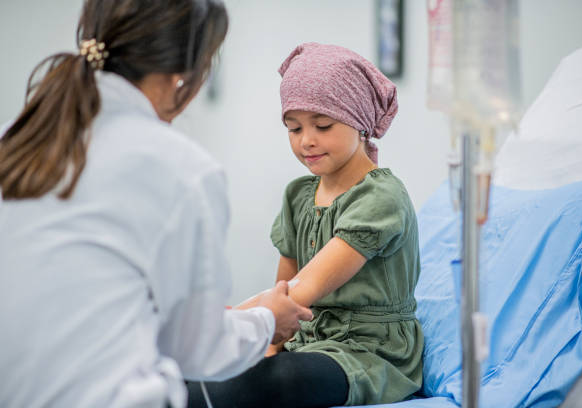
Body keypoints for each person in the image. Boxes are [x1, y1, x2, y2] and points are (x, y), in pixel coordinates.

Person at [0, 1, 312, 407]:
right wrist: (268, 320)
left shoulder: (17, 140)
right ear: (187, 73)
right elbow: (200, 351)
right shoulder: (181, 168)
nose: (308, 140)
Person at [191, 42, 424, 407]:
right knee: (202, 375)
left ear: (361, 122)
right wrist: (266, 345)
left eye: (323, 125)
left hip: (369, 352)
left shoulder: (381, 198)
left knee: (280, 380)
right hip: (309, 341)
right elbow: (282, 291)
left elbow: (304, 289)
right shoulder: (298, 195)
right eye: (294, 128)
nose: (306, 141)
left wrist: (226, 325)